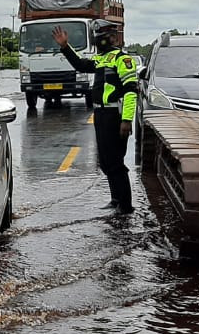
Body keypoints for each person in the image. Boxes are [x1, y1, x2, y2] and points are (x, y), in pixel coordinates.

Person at [52, 20, 138, 212]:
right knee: (106, 162)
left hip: (115, 115)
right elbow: (81, 65)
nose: (100, 42)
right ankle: (116, 199)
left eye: (104, 37)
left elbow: (131, 91)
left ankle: (125, 206)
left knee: (115, 162)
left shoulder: (122, 59)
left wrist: (126, 120)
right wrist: (65, 47)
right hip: (100, 114)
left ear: (113, 38)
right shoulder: (101, 59)